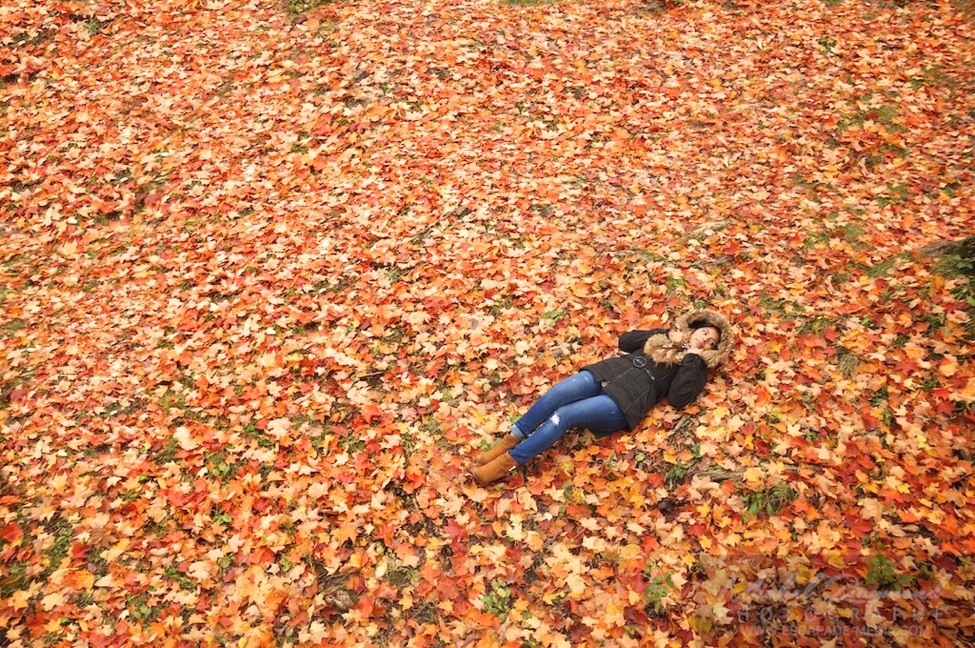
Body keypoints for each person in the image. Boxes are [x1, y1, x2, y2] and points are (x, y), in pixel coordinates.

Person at [470, 308, 734, 485]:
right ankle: (509, 440)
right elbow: (625, 342)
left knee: (564, 415)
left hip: (626, 399)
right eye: (705, 333)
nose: (705, 341)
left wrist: (691, 360)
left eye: (712, 343)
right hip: (608, 372)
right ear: (694, 328)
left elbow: (679, 398)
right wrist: (664, 335)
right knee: (558, 393)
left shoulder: (696, 368)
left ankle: (507, 462)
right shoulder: (667, 336)